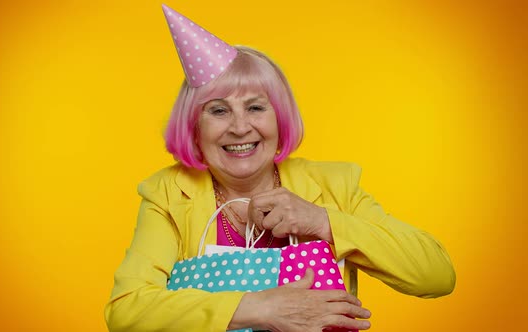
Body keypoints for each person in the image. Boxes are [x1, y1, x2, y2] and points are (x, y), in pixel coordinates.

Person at [105, 4, 456, 332]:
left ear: (280, 118)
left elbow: (436, 275)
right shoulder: (169, 193)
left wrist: (323, 222)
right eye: (219, 110)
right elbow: (127, 310)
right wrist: (259, 309)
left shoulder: (332, 186)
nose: (240, 127)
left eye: (256, 108)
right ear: (194, 127)